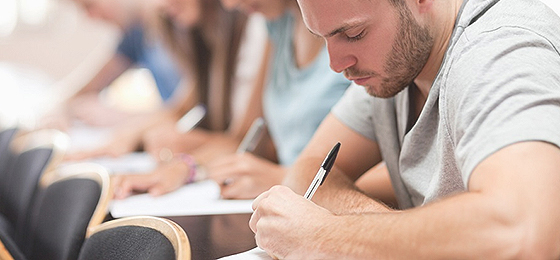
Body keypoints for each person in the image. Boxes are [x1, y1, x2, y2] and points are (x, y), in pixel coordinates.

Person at [249, 0, 560, 258]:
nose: (337, 63)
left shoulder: (499, 52)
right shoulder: (392, 66)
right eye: (323, 38)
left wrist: (325, 236)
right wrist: (384, 231)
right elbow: (309, 170)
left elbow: (526, 231)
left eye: (354, 34)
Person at [109, 0, 271, 198]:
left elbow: (245, 140)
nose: (159, 5)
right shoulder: (209, 35)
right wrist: (124, 138)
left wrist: (184, 165)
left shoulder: (258, 27)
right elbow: (179, 108)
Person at [198, 0, 351, 200]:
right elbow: (243, 135)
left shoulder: (351, 26)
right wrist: (189, 166)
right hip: (295, 201)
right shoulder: (278, 24)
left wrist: (283, 178)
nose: (229, 4)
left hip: (322, 201)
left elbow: (391, 171)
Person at [68, 0, 182, 126]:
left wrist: (121, 117)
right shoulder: (136, 34)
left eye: (90, 6)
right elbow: (87, 88)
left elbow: (192, 110)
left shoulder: (181, 19)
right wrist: (61, 111)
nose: (90, 17)